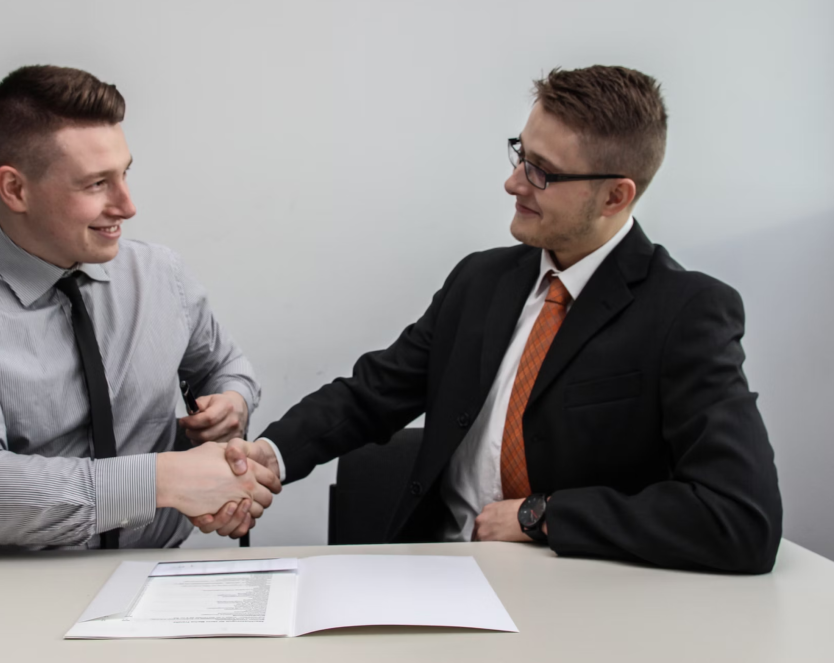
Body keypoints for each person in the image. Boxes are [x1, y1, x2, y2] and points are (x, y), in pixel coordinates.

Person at [198, 65, 783, 573]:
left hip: (582, 600)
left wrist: (540, 516)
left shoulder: (686, 312)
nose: (513, 182)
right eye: (520, 155)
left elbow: (742, 517)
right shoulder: (481, 281)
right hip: (437, 578)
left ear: (615, 197)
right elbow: (372, 394)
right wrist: (268, 456)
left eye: (542, 172)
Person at [0, 65, 279, 551]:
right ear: (15, 189)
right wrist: (162, 479)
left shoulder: (162, 275)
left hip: (157, 572)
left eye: (125, 174)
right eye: (96, 184)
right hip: (8, 587)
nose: (127, 206)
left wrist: (231, 402)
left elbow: (223, 366)